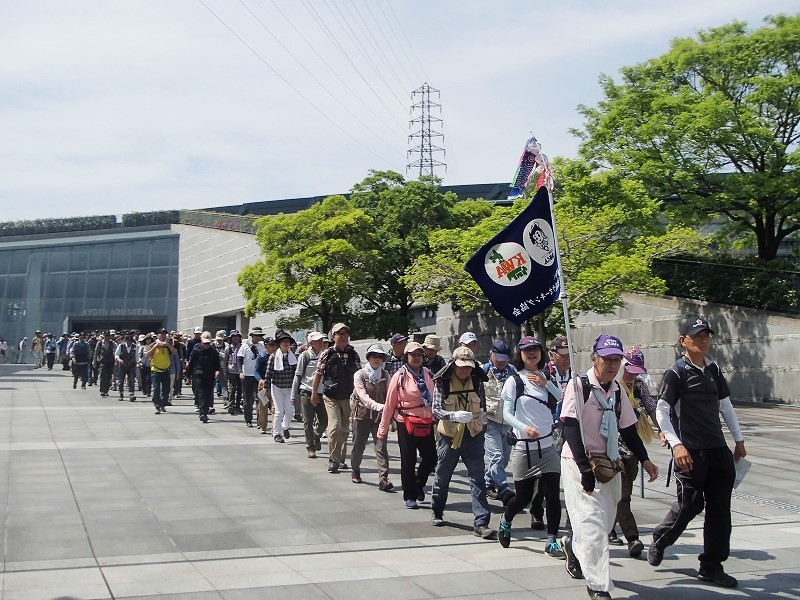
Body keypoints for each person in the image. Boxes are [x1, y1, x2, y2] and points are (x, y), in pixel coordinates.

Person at [648, 316, 746, 589]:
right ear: (684, 341)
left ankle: (711, 565)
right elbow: (662, 411)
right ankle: (660, 538)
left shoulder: (713, 369)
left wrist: (738, 439)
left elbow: (725, 405)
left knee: (719, 511)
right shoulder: (676, 372)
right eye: (697, 336)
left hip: (717, 450)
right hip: (690, 452)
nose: (703, 340)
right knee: (690, 505)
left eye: (706, 336)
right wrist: (676, 444)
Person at [560, 334, 658, 599]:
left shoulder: (617, 391)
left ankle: (572, 544)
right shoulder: (578, 385)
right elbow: (570, 428)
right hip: (578, 461)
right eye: (607, 359)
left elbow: (628, 428)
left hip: (609, 462)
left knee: (604, 523)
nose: (612, 364)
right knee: (591, 525)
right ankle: (598, 585)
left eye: (617, 359)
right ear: (594, 359)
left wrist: (645, 459)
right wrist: (584, 471)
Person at [497, 336, 565, 557]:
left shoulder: (546, 377)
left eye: (536, 349)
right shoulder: (514, 381)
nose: (532, 353)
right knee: (523, 498)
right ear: (520, 355)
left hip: (547, 446)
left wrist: (547, 384)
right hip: (524, 448)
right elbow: (507, 414)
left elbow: (563, 398)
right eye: (527, 350)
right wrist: (524, 428)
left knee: (553, 495)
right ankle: (506, 519)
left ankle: (552, 540)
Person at [430, 346, 495, 539]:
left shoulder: (477, 380)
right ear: (453, 365)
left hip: (473, 435)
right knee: (443, 475)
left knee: (478, 479)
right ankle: (437, 509)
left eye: (468, 367)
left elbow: (482, 404)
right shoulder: (443, 381)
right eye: (461, 367)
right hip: (449, 436)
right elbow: (436, 409)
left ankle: (481, 522)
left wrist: (482, 420)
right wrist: (453, 415)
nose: (464, 370)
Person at [611, 347, 663, 557]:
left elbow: (652, 408)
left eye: (636, 370)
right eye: (630, 369)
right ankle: (632, 537)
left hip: (633, 446)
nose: (632, 374)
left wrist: (662, 430)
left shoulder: (640, 386)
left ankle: (607, 528)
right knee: (622, 495)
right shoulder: (615, 387)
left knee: (623, 492)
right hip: (612, 448)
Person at [378, 341, 436, 509]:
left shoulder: (428, 374)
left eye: (419, 354)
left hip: (426, 421)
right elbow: (389, 404)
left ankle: (418, 483)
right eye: (413, 354)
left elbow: (436, 397)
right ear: (406, 356)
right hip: (406, 421)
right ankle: (409, 495)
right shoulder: (399, 376)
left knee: (431, 458)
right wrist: (383, 429)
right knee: (408, 460)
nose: (416, 358)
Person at [311, 323, 361, 474]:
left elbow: (359, 376)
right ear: (333, 337)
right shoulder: (327, 353)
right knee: (334, 428)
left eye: (345, 333)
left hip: (348, 396)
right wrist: (314, 394)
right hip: (330, 396)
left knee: (345, 430)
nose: (343, 336)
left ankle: (341, 459)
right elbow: (318, 374)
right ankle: (333, 460)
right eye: (340, 333)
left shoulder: (353, 354)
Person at [350, 344, 392, 489]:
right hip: (362, 415)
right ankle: (355, 469)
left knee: (381, 447)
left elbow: (391, 395)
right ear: (368, 357)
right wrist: (379, 406)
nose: (377, 359)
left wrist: (389, 412)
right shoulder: (360, 374)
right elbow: (362, 396)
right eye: (374, 356)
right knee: (358, 447)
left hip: (380, 417)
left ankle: (383, 478)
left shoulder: (386, 375)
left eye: (380, 356)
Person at [482, 339, 517, 504]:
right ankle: (504, 489)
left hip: (509, 421)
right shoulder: (483, 371)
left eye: (505, 358)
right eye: (499, 357)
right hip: (490, 421)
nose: (503, 361)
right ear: (491, 354)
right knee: (496, 456)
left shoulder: (514, 372)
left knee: (503, 459)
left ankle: (488, 483)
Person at [291, 331, 328, 458]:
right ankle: (310, 447)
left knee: (325, 420)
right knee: (308, 421)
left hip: (321, 392)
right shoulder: (304, 356)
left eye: (321, 340)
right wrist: (293, 395)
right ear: (311, 342)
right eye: (317, 341)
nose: (320, 343)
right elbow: (298, 375)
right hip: (306, 391)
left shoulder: (325, 355)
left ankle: (316, 436)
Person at [264, 330, 297, 443]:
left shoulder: (293, 358)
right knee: (279, 411)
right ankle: (276, 433)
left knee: (290, 411)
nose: (286, 344)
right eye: (284, 342)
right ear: (279, 344)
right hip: (277, 387)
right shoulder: (273, 357)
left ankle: (285, 426)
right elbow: (268, 373)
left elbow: (296, 374)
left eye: (288, 342)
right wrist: (266, 388)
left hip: (289, 387)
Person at [186, 331, 221, 423]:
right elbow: (191, 363)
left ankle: (205, 411)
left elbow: (217, 364)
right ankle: (203, 413)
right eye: (205, 343)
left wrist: (218, 371)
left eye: (208, 343)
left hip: (210, 375)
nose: (206, 345)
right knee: (201, 394)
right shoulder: (196, 350)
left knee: (208, 394)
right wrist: (188, 377)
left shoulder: (213, 351)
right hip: (199, 375)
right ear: (201, 341)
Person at [238, 327, 266, 428]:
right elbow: (239, 360)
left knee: (260, 398)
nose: (258, 337)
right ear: (252, 336)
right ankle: (248, 419)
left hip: (259, 377)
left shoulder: (262, 347)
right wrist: (240, 372)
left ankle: (260, 420)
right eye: (256, 335)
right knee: (248, 399)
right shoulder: (245, 346)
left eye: (260, 336)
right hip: (247, 375)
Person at [147, 328, 176, 414]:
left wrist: (167, 345)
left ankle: (163, 404)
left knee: (166, 389)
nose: (163, 336)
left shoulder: (167, 345)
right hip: (155, 370)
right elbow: (147, 354)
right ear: (158, 335)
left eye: (164, 334)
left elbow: (174, 352)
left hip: (166, 370)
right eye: (161, 334)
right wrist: (155, 347)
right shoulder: (153, 345)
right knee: (156, 389)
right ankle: (157, 405)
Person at [224, 330, 243, 415]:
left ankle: (238, 406)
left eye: (237, 336)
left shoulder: (242, 347)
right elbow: (225, 361)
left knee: (240, 389)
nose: (235, 338)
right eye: (233, 336)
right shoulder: (228, 348)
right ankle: (231, 405)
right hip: (231, 370)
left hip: (240, 371)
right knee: (231, 388)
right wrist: (225, 373)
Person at [93, 331, 117, 397]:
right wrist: (94, 362)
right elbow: (96, 353)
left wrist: (116, 359)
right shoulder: (100, 343)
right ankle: (102, 390)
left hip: (110, 362)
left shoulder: (113, 343)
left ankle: (106, 391)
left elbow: (117, 351)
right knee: (102, 376)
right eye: (106, 336)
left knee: (109, 377)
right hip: (103, 362)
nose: (107, 337)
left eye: (108, 336)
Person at [115, 334, 137, 402]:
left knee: (131, 380)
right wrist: (119, 359)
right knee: (120, 381)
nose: (129, 343)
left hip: (131, 366)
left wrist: (137, 363)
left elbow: (136, 356)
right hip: (122, 366)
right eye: (128, 341)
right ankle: (121, 394)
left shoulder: (135, 347)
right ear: (125, 340)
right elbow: (116, 354)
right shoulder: (121, 346)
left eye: (130, 341)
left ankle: (131, 394)